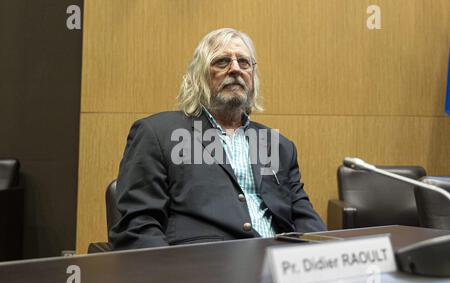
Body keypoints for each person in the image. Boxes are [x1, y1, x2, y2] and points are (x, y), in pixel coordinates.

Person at [110, 28, 325, 250]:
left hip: (278, 266)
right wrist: (171, 276)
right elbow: (138, 226)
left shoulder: (278, 145)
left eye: (244, 62)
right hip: (201, 270)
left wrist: (324, 258)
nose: (235, 69)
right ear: (199, 75)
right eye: (222, 62)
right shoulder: (157, 133)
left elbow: (304, 216)